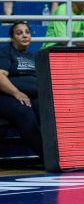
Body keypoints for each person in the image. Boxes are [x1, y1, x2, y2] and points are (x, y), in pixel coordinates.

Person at [0, 22, 43, 157]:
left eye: (27, 32)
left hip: (33, 97)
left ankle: (64, 154)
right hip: (8, 96)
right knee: (25, 113)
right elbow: (0, 76)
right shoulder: (6, 53)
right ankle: (47, 157)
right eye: (19, 33)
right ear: (12, 38)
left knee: (49, 112)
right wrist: (16, 93)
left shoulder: (33, 57)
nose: (24, 35)